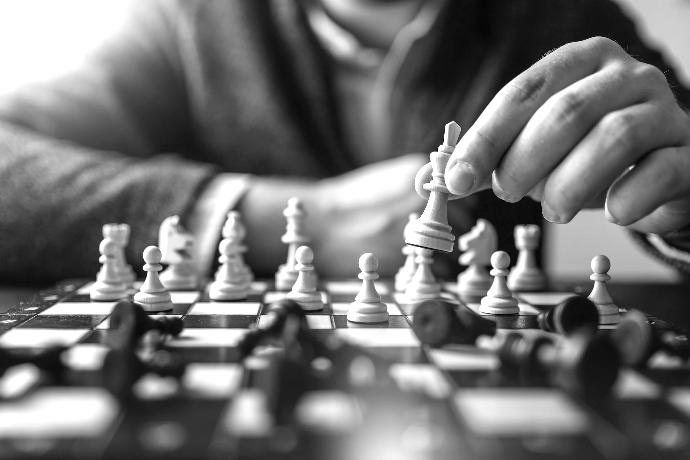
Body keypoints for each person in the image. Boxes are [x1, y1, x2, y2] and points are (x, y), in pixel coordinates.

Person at [0, 0, 688, 284]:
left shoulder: (559, 19)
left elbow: (673, 154)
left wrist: (686, 212)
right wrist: (282, 221)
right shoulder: (192, 24)